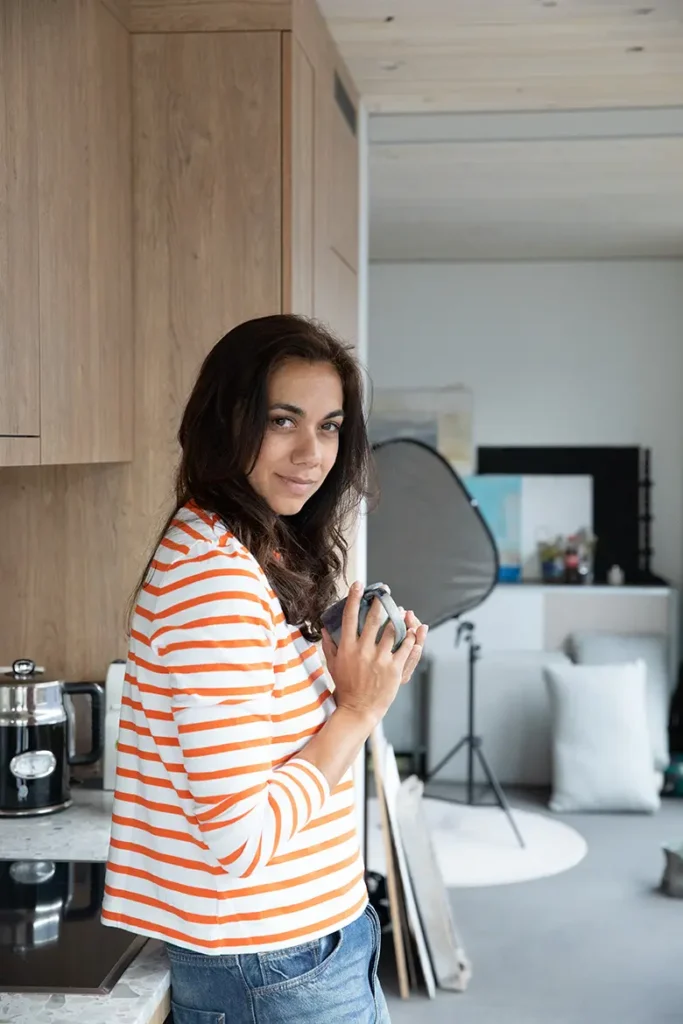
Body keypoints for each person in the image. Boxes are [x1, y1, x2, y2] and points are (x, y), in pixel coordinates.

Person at [102, 314, 428, 1024]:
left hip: (293, 951)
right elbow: (241, 840)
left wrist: (361, 672)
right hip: (270, 963)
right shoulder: (214, 578)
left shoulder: (249, 547)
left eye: (331, 425)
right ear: (227, 421)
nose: (312, 453)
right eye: (284, 421)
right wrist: (357, 711)